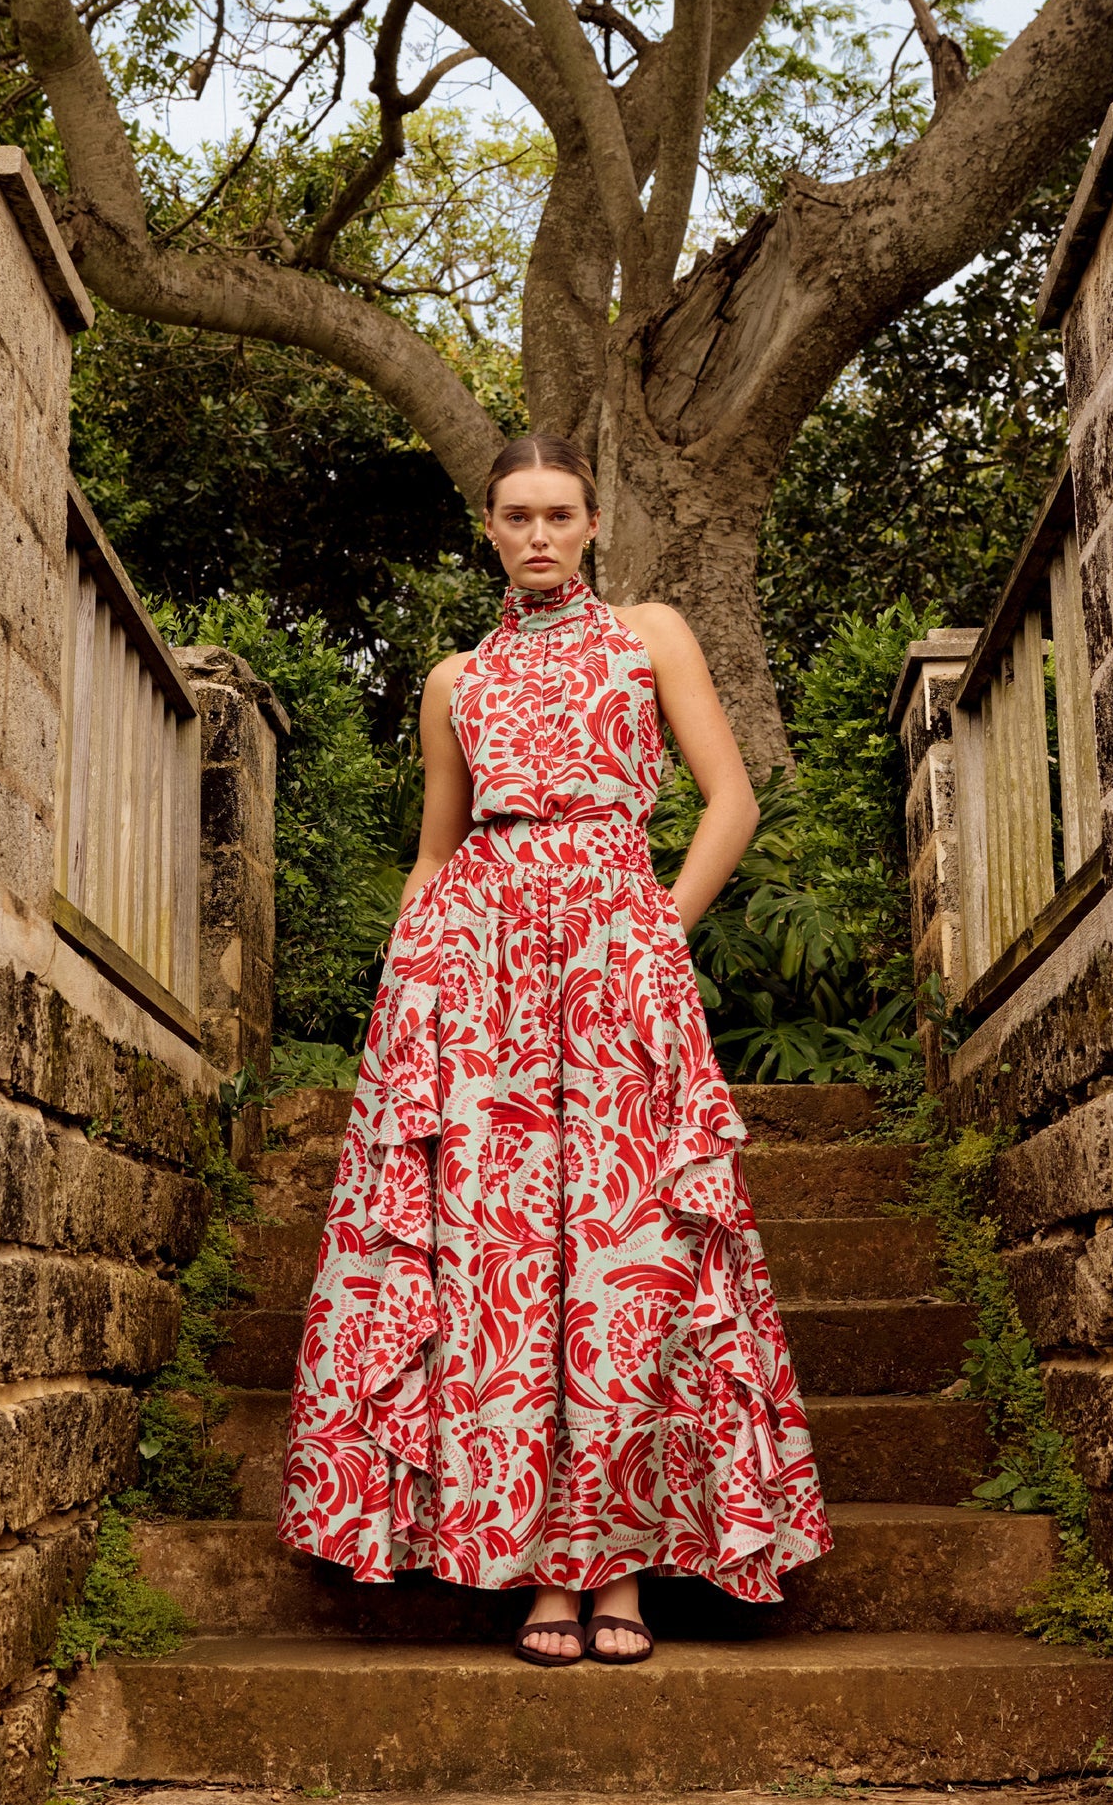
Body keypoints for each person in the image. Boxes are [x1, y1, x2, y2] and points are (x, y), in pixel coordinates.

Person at [278, 432, 832, 1665]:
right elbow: (435, 849)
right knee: (503, 1262)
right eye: (515, 514)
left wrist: (652, 933)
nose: (537, 532)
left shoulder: (649, 634)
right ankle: (535, 1568)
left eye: (558, 512)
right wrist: (407, 985)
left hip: (617, 966)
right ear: (488, 527)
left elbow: (727, 800)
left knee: (629, 1253)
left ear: (591, 523)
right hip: (474, 984)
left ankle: (620, 1570)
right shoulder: (452, 678)